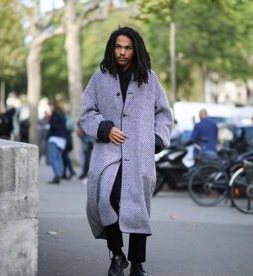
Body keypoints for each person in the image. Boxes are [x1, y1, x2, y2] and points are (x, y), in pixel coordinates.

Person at [79, 26, 173, 276]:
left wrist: (156, 139)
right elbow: (86, 113)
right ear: (112, 48)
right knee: (106, 199)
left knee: (137, 205)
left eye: (127, 48)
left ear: (135, 50)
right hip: (109, 152)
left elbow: (164, 115)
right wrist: (104, 128)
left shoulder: (150, 79)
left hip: (140, 153)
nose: (122, 52)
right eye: (118, 47)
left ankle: (137, 264)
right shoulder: (99, 79)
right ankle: (116, 254)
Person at [47, 102, 67, 184]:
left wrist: (50, 121)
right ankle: (59, 173)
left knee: (53, 157)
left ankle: (57, 175)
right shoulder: (63, 115)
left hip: (54, 138)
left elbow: (52, 125)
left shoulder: (54, 114)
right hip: (62, 138)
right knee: (59, 157)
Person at [62, 109, 76, 179]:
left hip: (66, 139)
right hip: (67, 139)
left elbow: (70, 128)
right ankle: (64, 173)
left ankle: (71, 171)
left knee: (65, 156)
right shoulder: (69, 119)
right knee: (64, 156)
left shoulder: (67, 119)